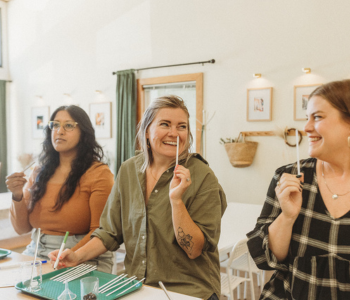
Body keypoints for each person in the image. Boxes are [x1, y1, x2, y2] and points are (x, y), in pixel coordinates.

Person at [49, 96, 227, 300]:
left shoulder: (203, 176)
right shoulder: (128, 170)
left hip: (189, 291)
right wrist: (76, 256)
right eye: (165, 124)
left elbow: (194, 249)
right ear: (147, 130)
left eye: (182, 126)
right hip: (135, 286)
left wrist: (176, 201)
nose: (174, 133)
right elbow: (110, 231)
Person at [247, 79, 350, 300]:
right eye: (307, 118)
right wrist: (287, 216)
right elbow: (265, 260)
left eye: (318, 117)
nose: (306, 128)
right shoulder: (289, 177)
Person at [6, 105, 114, 272]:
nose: (59, 131)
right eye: (55, 125)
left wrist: (72, 254)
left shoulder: (99, 174)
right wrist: (17, 194)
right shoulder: (39, 171)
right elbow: (22, 229)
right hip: (37, 251)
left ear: (83, 133)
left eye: (68, 125)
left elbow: (100, 232)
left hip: (81, 255)